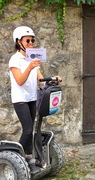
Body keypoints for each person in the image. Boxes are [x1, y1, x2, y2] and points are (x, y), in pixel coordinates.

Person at [9, 26, 61, 168]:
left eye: (32, 40)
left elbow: (40, 79)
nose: (31, 43)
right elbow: (20, 80)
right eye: (28, 41)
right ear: (19, 42)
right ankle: (15, 158)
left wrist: (52, 79)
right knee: (27, 129)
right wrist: (30, 67)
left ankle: (29, 156)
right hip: (20, 99)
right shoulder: (15, 59)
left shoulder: (33, 56)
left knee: (33, 128)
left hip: (32, 98)